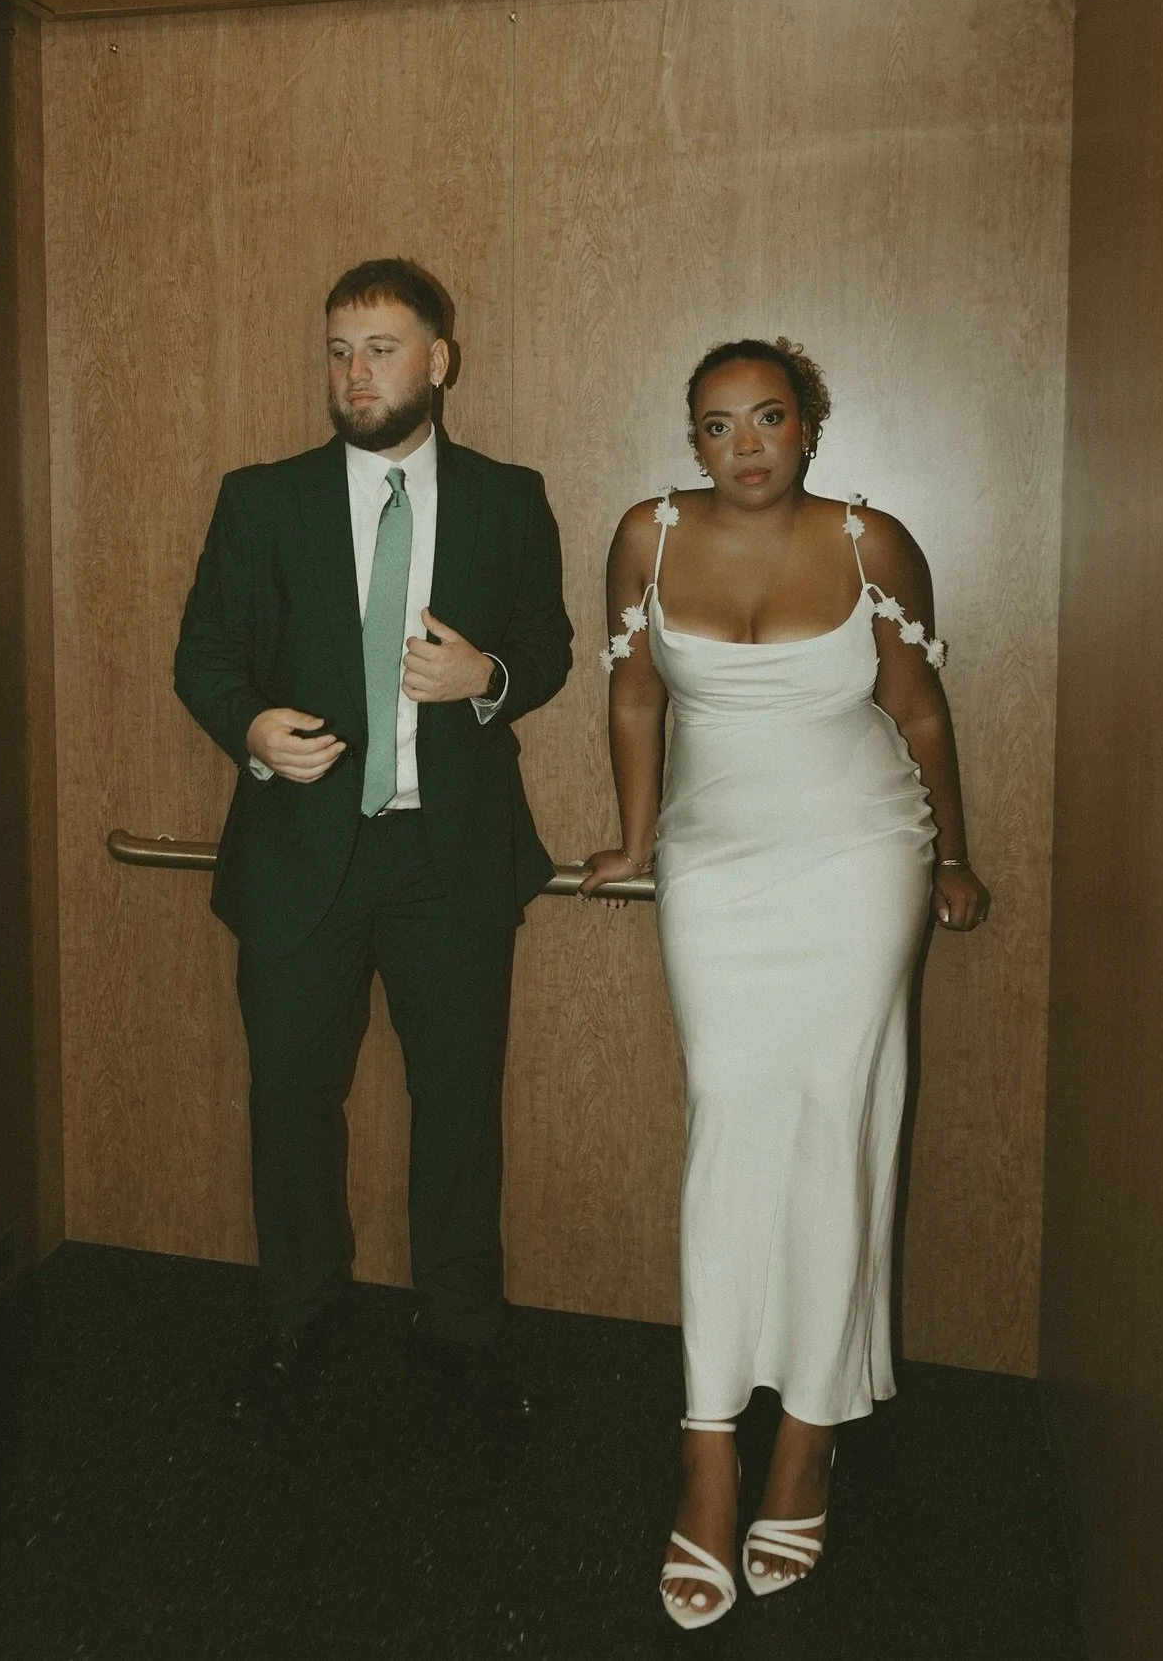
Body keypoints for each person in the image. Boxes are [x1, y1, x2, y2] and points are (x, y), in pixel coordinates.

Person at [580, 337, 989, 1628]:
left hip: (862, 853)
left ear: (809, 424)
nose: (743, 444)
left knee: (832, 1124)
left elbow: (918, 709)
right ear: (687, 438)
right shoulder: (643, 535)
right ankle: (708, 1442)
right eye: (715, 424)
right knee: (728, 1118)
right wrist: (637, 838)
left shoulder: (874, 541)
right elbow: (636, 697)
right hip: (716, 860)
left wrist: (955, 854)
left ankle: (805, 1432)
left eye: (767, 417)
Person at [174, 259, 572, 1415]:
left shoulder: (510, 496)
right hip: (303, 844)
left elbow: (542, 647)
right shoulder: (261, 498)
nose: (357, 373)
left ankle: (459, 1322)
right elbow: (203, 653)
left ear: (438, 360)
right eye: (340, 351)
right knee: (290, 1092)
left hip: (450, 853)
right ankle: (300, 1308)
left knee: (458, 1097)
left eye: (383, 348)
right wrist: (250, 726)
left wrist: (484, 674)